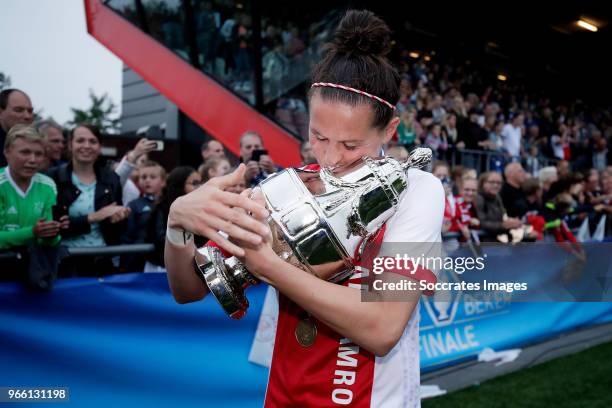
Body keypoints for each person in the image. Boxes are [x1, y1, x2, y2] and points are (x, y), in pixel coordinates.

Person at [164, 10, 444, 407]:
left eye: (350, 145)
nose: (331, 158)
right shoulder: (288, 187)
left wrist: (271, 267)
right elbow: (188, 288)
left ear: (390, 130)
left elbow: (383, 326)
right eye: (318, 136)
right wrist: (178, 224)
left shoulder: (419, 190)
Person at [47, 124, 130, 277]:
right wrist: (92, 217)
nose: (86, 146)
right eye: (80, 141)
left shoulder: (111, 179)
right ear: (70, 145)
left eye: (93, 141)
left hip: (102, 261)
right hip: (65, 262)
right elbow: (52, 227)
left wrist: (119, 218)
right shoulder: (53, 178)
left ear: (99, 147)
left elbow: (116, 231)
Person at [0, 125, 66, 285]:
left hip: (32, 273)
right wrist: (33, 232)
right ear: (7, 153)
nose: (32, 160)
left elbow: (49, 242)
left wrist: (54, 231)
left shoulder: (48, 185)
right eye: (25, 152)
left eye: (38, 154)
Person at [144, 166, 202, 272]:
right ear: (179, 186)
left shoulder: (200, 209)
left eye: (200, 183)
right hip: (162, 270)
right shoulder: (162, 208)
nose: (199, 187)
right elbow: (161, 239)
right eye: (194, 183)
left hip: (189, 268)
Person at [121, 160, 167, 272]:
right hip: (141, 260)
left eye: (152, 177)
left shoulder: (169, 203)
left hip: (165, 259)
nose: (147, 180)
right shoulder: (134, 205)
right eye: (143, 177)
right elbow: (128, 235)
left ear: (163, 181)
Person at [0, 89, 34, 167]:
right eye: (18, 110)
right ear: (1, 113)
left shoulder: (37, 143)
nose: (27, 116)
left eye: (30, 111)